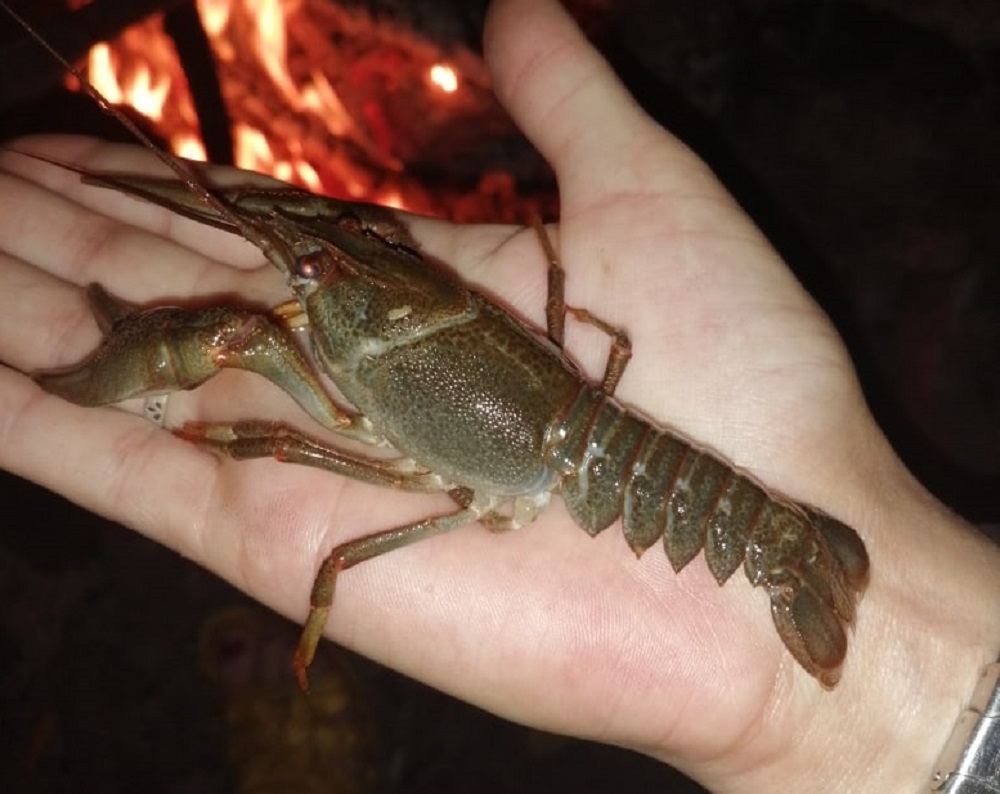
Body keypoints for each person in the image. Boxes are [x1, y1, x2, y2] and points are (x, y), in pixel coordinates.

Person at [0, 0, 997, 791]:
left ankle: (89, 370)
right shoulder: (398, 286)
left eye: (321, 266)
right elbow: (365, 249)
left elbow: (306, 489)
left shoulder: (301, 337)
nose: (314, 270)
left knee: (239, 345)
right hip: (600, 436)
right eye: (324, 264)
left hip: (640, 476)